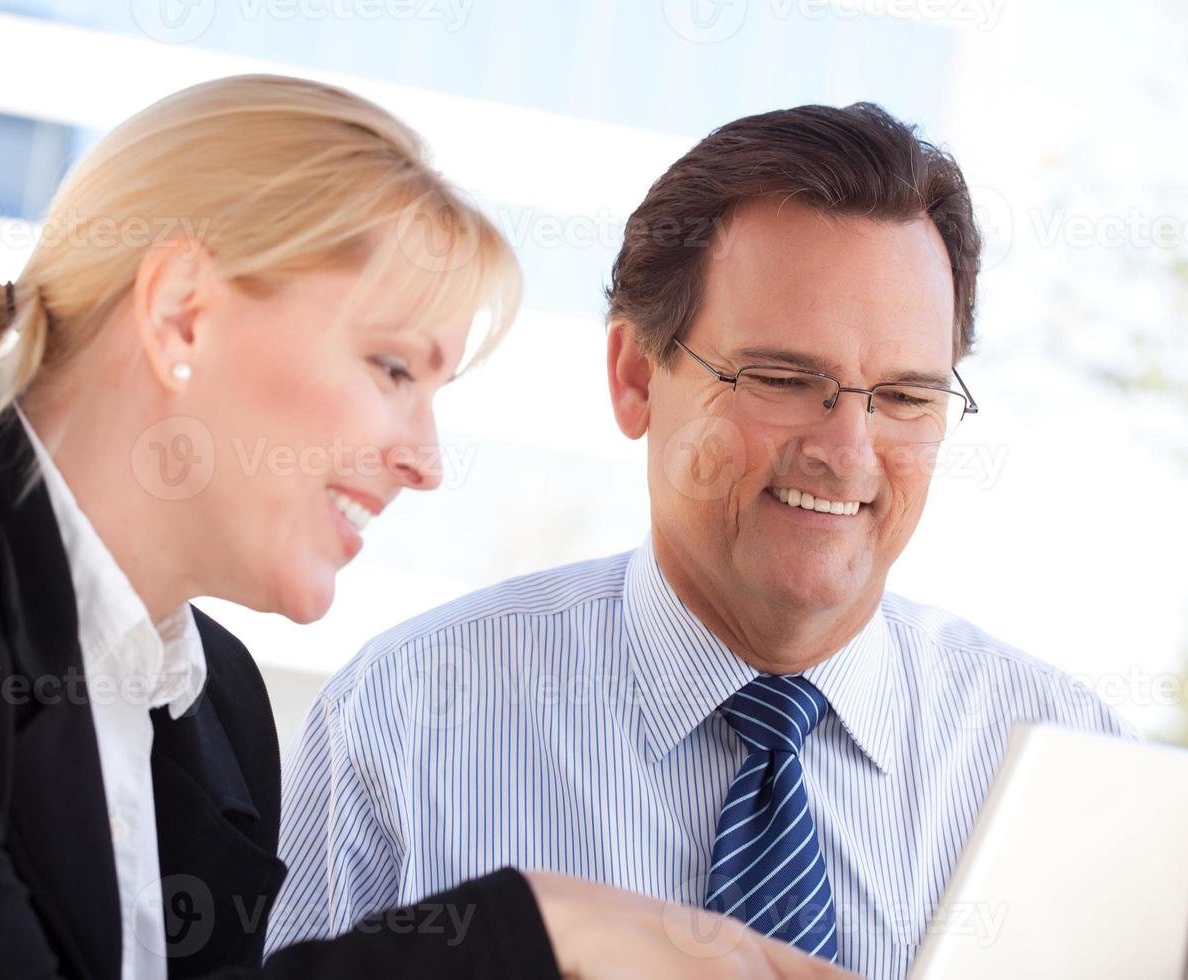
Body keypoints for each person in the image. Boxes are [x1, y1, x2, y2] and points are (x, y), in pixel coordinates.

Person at [0, 75, 850, 980]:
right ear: (183, 311)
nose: (426, 460)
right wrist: (530, 926)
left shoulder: (215, 715)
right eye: (391, 368)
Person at [265, 102, 1140, 979]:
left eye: (907, 397)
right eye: (784, 379)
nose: (847, 453)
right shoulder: (404, 721)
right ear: (636, 376)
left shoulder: (1071, 766)